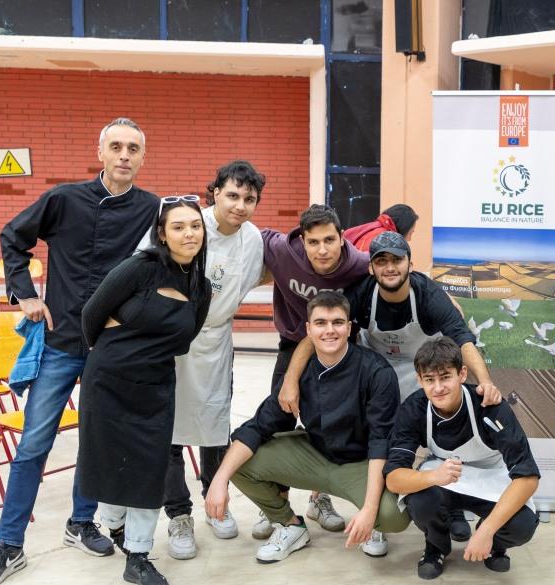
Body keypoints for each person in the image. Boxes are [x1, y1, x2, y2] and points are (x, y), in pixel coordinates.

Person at [0, 118, 159, 585]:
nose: (124, 155)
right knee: (34, 444)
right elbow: (13, 236)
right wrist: (24, 294)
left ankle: (81, 522)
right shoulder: (63, 199)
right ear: (101, 152)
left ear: (142, 157)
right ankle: (8, 545)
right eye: (116, 146)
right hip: (60, 342)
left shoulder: (151, 209)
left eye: (133, 148)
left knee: (96, 441)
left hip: (110, 347)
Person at [278, 231, 501, 547]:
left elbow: (463, 339)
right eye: (381, 261)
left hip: (422, 371)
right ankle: (372, 514)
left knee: (440, 432)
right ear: (371, 267)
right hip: (375, 372)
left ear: (410, 263)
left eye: (397, 259)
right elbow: (314, 334)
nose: (390, 267)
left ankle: (452, 503)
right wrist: (290, 380)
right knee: (372, 436)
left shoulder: (428, 295)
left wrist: (485, 381)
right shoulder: (361, 294)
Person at [204, 291, 409, 564]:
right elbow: (259, 426)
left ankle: (371, 524)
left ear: (349, 328)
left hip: (361, 464)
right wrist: (219, 481)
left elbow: (380, 442)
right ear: (309, 330)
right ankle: (289, 525)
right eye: (321, 323)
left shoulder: (376, 372)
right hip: (315, 454)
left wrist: (370, 511)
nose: (329, 330)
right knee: (236, 462)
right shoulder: (299, 373)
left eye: (337, 322)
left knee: (394, 517)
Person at [76, 196, 210, 585]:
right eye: (179, 227)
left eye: (195, 226)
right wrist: (116, 350)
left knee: (150, 471)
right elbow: (91, 315)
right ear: (162, 235)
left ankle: (138, 557)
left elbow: (185, 339)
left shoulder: (201, 287)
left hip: (155, 389)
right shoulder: (140, 268)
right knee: (108, 463)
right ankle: (115, 527)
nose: (189, 233)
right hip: (107, 382)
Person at [138, 161, 266, 561]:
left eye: (249, 199)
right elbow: (143, 269)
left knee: (215, 421)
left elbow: (251, 279)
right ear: (215, 193)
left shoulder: (252, 239)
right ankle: (178, 514)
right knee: (169, 429)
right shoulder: (190, 222)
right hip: (170, 337)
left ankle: (215, 497)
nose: (240, 205)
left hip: (215, 340)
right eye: (232, 195)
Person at [385, 337, 539, 580]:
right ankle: (436, 547)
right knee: (420, 501)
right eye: (429, 380)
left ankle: (495, 546)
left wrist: (487, 530)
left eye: (445, 377)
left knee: (523, 525)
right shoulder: (413, 410)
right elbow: (394, 479)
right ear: (419, 380)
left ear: (462, 374)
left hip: (491, 475)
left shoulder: (490, 407)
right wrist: (433, 477)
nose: (438, 388)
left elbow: (528, 477)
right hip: (444, 474)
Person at [258, 204, 369, 537]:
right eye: (314, 242)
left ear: (342, 237)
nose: (322, 250)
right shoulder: (282, 250)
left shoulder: (359, 265)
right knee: (278, 418)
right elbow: (242, 234)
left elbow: (403, 272)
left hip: (338, 347)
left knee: (332, 421)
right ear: (302, 240)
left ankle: (320, 500)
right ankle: (275, 504)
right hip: (293, 341)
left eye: (329, 240)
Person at [342, 203, 419, 252]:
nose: (409, 239)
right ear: (404, 228)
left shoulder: (373, 228)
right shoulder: (385, 240)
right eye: (410, 233)